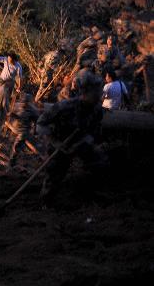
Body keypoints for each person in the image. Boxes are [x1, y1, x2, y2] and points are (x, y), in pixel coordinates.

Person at [36, 70, 108, 206]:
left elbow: (95, 129)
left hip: (81, 142)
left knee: (99, 162)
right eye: (96, 92)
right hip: (59, 144)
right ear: (85, 92)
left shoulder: (97, 109)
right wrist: (54, 142)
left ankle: (92, 195)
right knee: (54, 173)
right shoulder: (64, 106)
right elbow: (41, 124)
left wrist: (88, 141)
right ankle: (46, 202)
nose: (100, 95)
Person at [0, 52, 23, 136]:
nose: (9, 60)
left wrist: (19, 87)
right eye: (8, 59)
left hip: (9, 83)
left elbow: (19, 77)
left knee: (4, 97)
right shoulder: (5, 59)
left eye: (10, 60)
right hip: (1, 81)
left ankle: (4, 109)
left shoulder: (18, 66)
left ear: (14, 60)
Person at [6, 93, 39, 167]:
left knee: (16, 147)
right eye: (23, 101)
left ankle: (11, 163)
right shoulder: (18, 106)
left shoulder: (32, 110)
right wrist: (12, 115)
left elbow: (36, 121)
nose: (24, 103)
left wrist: (35, 131)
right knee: (11, 145)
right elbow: (14, 114)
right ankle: (18, 156)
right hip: (15, 129)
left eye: (26, 102)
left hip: (24, 131)